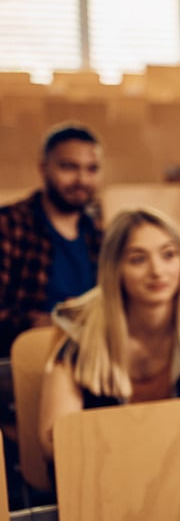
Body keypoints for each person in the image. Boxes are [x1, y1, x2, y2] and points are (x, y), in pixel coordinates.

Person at [39, 207, 180, 458]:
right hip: (110, 472)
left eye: (169, 255)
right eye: (138, 259)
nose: (157, 271)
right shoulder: (79, 331)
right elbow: (56, 443)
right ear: (115, 269)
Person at [0, 123, 103, 357]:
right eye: (69, 167)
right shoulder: (9, 225)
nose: (82, 180)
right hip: (20, 363)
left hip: (89, 360)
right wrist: (44, 322)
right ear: (43, 168)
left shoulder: (99, 237)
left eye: (92, 169)